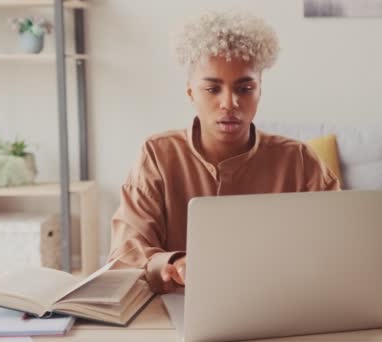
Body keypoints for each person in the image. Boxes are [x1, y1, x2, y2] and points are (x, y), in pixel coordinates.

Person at [108, 10, 341, 294]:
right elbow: (125, 254)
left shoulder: (299, 160)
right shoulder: (157, 155)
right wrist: (174, 262)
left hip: (280, 308)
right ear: (191, 92)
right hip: (180, 311)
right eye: (212, 88)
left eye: (245, 88)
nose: (229, 103)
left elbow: (338, 244)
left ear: (260, 90)